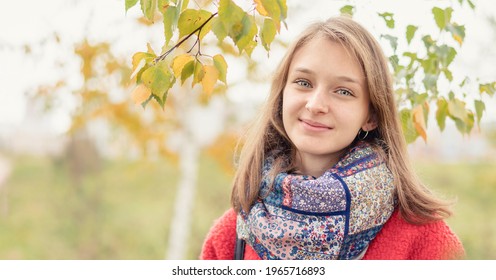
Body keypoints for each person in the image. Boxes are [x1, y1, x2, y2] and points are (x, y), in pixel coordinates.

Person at [201, 16, 464, 260]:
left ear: (371, 115)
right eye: (303, 82)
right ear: (282, 94)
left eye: (343, 91)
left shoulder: (423, 239)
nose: (316, 104)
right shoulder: (231, 236)